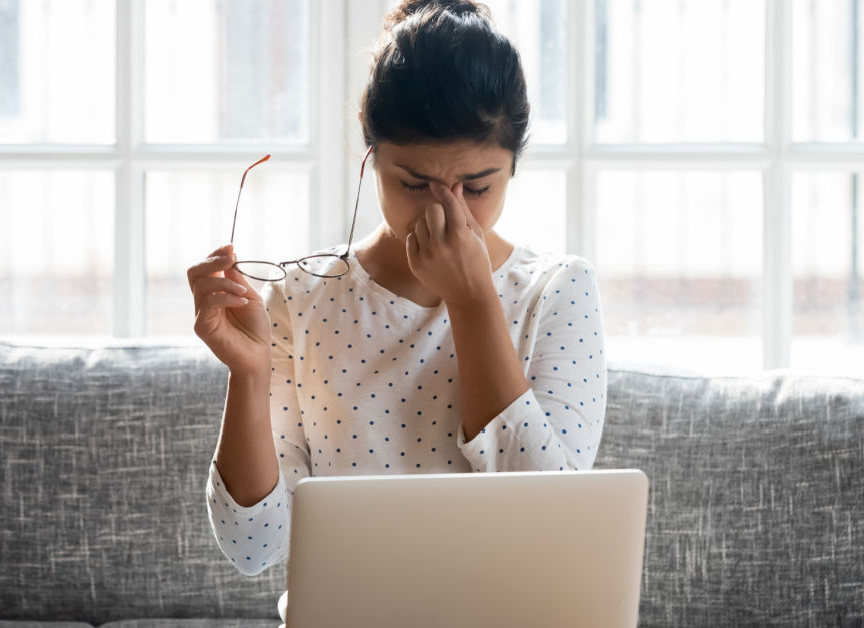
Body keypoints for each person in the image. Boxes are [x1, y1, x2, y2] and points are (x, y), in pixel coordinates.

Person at [190, 0, 608, 621]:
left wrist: (471, 299)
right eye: (413, 184)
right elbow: (254, 547)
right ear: (371, 152)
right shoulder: (301, 299)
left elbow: (547, 514)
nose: (450, 213)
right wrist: (248, 376)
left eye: (478, 186)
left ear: (514, 164)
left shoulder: (558, 292)